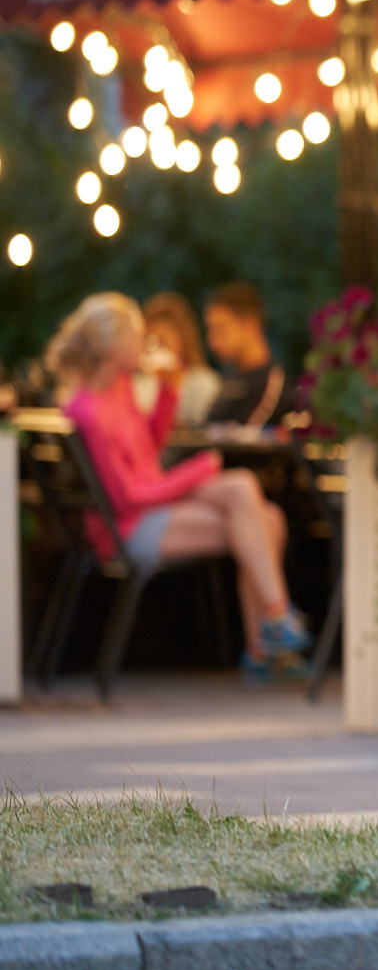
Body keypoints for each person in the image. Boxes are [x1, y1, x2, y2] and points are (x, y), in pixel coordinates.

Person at [49, 293, 313, 680]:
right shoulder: (87, 411)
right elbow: (125, 498)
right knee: (260, 517)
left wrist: (169, 391)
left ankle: (270, 634)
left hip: (150, 506)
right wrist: (196, 471)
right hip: (126, 528)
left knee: (256, 506)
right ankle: (268, 637)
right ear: (116, 346)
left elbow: (148, 450)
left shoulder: (119, 388)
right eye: (138, 337)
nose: (144, 346)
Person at [202, 283, 285, 428]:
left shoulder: (271, 385)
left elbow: (243, 444)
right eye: (210, 330)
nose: (212, 341)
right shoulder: (230, 381)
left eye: (221, 329)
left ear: (251, 326)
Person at [138, 292, 219, 426]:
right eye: (149, 342)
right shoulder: (137, 383)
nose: (155, 349)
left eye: (161, 342)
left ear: (183, 339)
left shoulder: (203, 383)